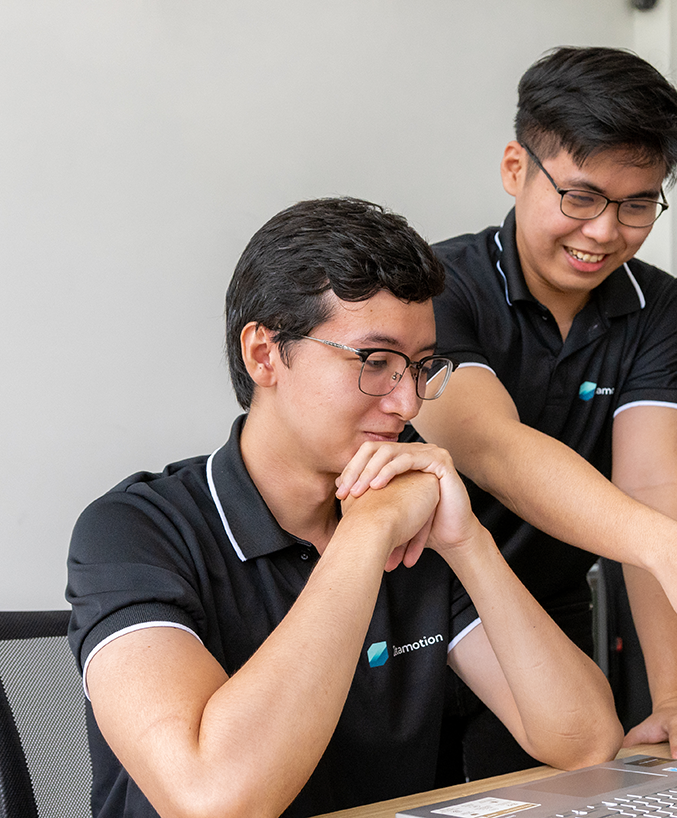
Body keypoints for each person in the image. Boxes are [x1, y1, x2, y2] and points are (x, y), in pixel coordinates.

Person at [66, 197, 622, 818]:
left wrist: (469, 545)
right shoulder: (135, 532)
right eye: (375, 362)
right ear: (264, 354)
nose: (408, 404)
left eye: (420, 367)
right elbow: (215, 801)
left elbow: (586, 741)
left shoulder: (415, 510)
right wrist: (365, 535)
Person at [384, 46, 677, 775]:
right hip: (412, 610)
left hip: (550, 613)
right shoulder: (437, 289)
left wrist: (674, 698)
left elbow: (650, 488)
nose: (604, 232)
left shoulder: (655, 306)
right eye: (581, 196)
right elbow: (491, 448)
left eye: (637, 205)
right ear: (516, 169)